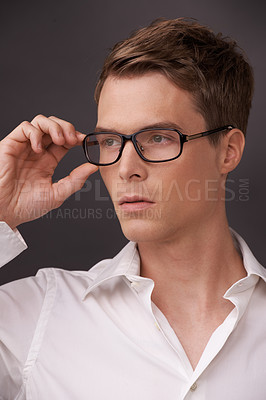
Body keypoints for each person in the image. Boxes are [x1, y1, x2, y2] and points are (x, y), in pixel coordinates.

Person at [0, 17, 265, 400]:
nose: (126, 169)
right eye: (110, 141)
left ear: (228, 151)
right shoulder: (37, 315)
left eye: (157, 137)